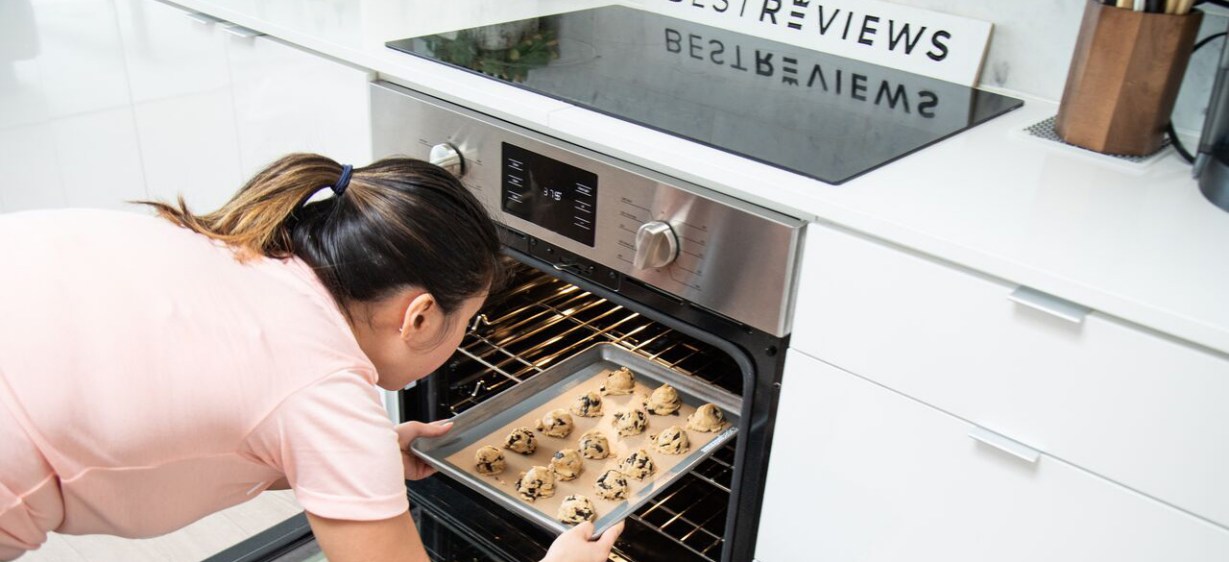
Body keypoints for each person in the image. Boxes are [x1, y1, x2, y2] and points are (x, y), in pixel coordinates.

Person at [0, 154, 622, 561]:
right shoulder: (322, 390)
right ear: (421, 316)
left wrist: (367, 456)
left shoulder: (246, 255)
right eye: (470, 320)